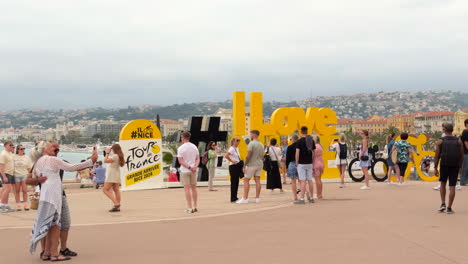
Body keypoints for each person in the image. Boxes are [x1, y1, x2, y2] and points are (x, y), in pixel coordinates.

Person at [30, 142, 98, 261]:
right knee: (56, 224)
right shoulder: (52, 159)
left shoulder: (39, 161)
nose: (55, 148)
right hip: (53, 194)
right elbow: (71, 167)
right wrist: (91, 160)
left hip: (46, 194)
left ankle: (46, 253)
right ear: (44, 149)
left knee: (49, 224)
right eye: (51, 147)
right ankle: (55, 254)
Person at [27, 142, 79, 260]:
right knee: (50, 224)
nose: (56, 150)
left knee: (64, 223)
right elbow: (28, 180)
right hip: (48, 196)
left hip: (59, 195)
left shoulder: (58, 160)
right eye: (53, 148)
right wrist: (38, 182)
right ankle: (47, 251)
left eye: (57, 149)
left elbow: (72, 167)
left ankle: (60, 249)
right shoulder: (38, 163)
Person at [434, 123, 464, 214]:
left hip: (444, 165)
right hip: (454, 166)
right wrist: (460, 167)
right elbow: (461, 156)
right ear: (452, 130)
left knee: (443, 184)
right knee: (452, 187)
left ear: (444, 130)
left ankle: (443, 204)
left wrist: (435, 167)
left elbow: (436, 156)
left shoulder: (441, 141)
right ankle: (449, 208)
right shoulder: (458, 141)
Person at [237, 130, 264, 204]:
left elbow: (248, 155)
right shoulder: (261, 144)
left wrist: (245, 164)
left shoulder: (251, 144)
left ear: (253, 135)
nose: (250, 136)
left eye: (251, 134)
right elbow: (262, 156)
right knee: (257, 180)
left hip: (252, 164)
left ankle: (245, 198)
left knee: (246, 180)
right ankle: (257, 198)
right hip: (260, 163)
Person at [177, 131, 200, 213]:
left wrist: (189, 167)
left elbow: (180, 161)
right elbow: (197, 158)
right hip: (193, 170)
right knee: (194, 188)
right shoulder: (194, 147)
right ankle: (195, 206)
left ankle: (189, 207)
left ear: (183, 137)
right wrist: (195, 166)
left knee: (187, 188)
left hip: (185, 170)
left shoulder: (181, 148)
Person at [294, 126, 316, 204]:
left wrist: (296, 162)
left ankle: (302, 199)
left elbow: (297, 153)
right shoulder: (311, 141)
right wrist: (312, 161)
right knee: (310, 180)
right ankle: (312, 198)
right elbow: (314, 153)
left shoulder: (299, 142)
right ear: (307, 131)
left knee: (303, 181)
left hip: (301, 163)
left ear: (301, 132)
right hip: (309, 163)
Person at [103, 144, 125, 212]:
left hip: (111, 174)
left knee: (105, 190)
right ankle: (117, 207)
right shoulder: (120, 156)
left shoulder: (115, 156)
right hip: (116, 173)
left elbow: (105, 160)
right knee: (116, 190)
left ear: (114, 149)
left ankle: (116, 204)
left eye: (112, 149)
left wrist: (107, 153)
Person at [13, 144, 33, 211]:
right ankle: (18, 205)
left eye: (23, 149)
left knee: (24, 191)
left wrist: (30, 176)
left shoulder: (26, 157)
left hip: (24, 175)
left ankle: (26, 204)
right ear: (17, 150)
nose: (22, 150)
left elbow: (29, 168)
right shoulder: (14, 157)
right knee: (17, 191)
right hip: (16, 176)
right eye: (21, 149)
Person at [225, 137, 243, 202]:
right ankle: (233, 197)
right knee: (233, 182)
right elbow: (226, 155)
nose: (238, 142)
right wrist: (232, 161)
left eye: (239, 140)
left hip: (237, 166)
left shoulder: (237, 148)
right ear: (233, 142)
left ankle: (235, 196)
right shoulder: (232, 148)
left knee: (236, 182)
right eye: (237, 140)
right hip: (233, 167)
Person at [0, 141, 16, 213]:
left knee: (7, 190)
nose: (12, 146)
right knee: (7, 189)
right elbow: (1, 166)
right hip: (6, 173)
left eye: (12, 145)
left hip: (11, 173)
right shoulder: (3, 154)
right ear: (5, 146)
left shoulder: (10, 153)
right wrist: (4, 176)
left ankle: (5, 205)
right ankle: (2, 205)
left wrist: (13, 149)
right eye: (10, 145)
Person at [286, 134, 299, 200]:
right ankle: (304, 194)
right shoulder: (300, 146)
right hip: (300, 164)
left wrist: (286, 167)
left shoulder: (290, 147)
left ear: (293, 139)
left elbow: (287, 158)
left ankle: (295, 197)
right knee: (301, 181)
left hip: (292, 164)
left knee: (293, 182)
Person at [461, 119, 468, 186]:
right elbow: (466, 142)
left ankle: (465, 181)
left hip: (466, 152)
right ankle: (463, 181)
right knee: (466, 167)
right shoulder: (465, 131)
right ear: (466, 124)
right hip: (466, 152)